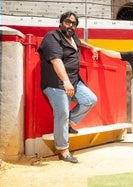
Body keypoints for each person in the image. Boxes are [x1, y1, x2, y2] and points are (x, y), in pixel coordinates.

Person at [38, 11, 98, 163]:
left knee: (90, 99)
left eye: (74, 23)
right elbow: (56, 61)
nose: (71, 25)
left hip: (74, 81)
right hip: (56, 83)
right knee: (62, 114)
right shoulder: (52, 37)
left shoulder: (73, 38)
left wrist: (91, 47)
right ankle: (63, 150)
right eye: (68, 22)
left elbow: (80, 43)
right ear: (61, 23)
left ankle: (67, 123)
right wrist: (66, 82)